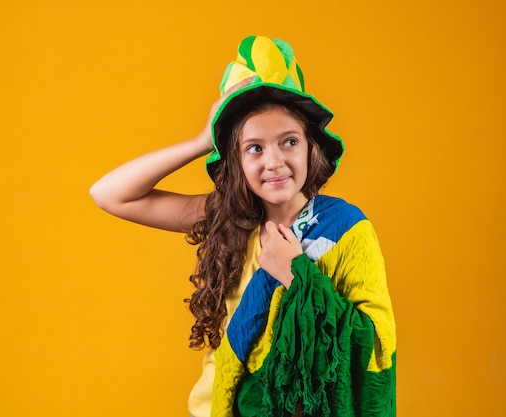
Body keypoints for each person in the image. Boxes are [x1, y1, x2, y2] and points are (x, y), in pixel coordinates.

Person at [90, 35, 396, 417]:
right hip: (217, 407)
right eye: (254, 148)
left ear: (310, 148)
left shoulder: (345, 230)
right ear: (235, 159)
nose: (274, 161)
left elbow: (376, 347)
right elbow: (110, 194)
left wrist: (295, 273)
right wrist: (203, 140)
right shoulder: (226, 216)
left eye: (288, 142)